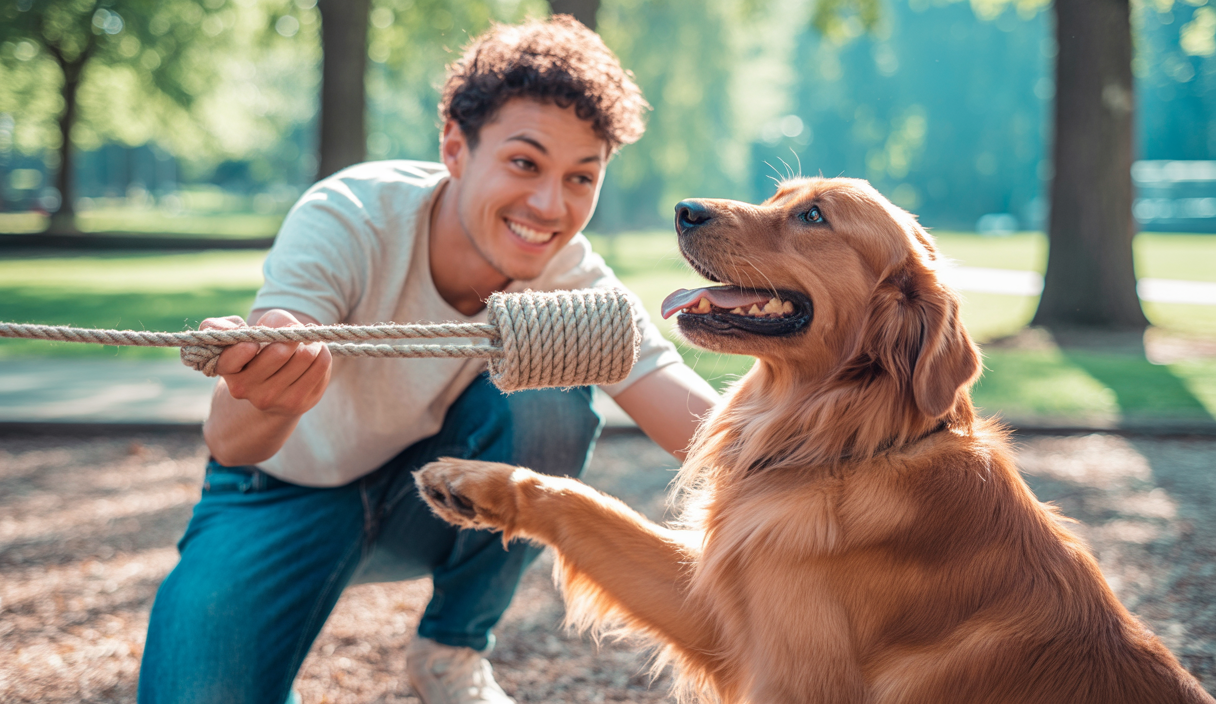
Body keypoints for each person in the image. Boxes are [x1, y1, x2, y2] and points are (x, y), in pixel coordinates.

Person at [137, 16, 719, 704]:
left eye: (580, 177)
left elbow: (693, 419)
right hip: (277, 495)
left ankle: (452, 647)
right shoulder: (351, 215)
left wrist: (855, 459)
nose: (548, 205)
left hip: (428, 494)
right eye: (525, 163)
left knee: (552, 402)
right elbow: (229, 443)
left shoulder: (569, 275)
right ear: (454, 147)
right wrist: (269, 380)